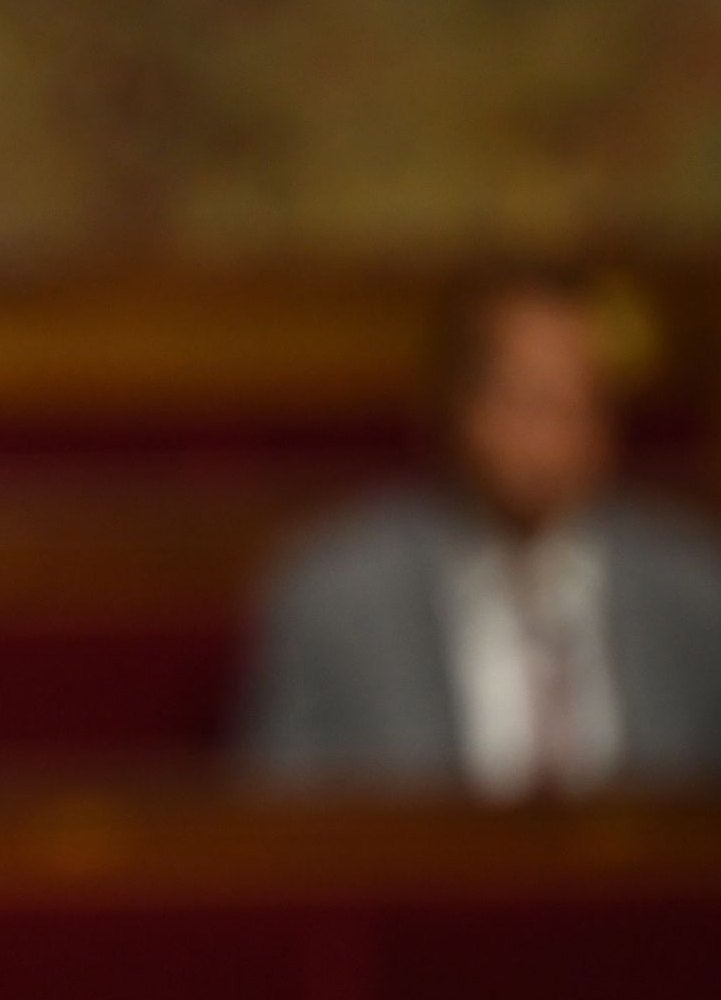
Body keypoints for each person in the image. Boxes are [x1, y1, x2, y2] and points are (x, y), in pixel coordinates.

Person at [239, 263, 721, 799]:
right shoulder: (337, 595)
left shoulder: (695, 593)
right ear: (457, 404)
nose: (549, 436)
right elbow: (279, 833)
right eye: (526, 400)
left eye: (580, 402)